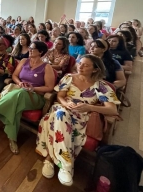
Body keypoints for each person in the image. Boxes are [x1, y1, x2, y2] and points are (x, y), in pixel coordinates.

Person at [36, 55, 119, 186]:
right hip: (62, 109)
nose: (80, 66)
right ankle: (67, 166)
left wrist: (89, 107)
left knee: (60, 123)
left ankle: (50, 159)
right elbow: (60, 96)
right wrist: (65, 103)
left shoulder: (101, 86)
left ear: (95, 69)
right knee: (60, 114)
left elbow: (112, 109)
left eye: (86, 65)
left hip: (81, 116)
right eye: (80, 63)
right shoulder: (69, 77)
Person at [0, 41, 55, 154]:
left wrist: (33, 88)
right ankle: (12, 139)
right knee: (16, 106)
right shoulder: (24, 61)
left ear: (41, 52)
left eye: (33, 48)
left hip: (35, 96)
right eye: (30, 48)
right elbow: (14, 75)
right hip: (18, 91)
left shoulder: (46, 67)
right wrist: (19, 83)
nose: (30, 50)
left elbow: (49, 87)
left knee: (21, 94)